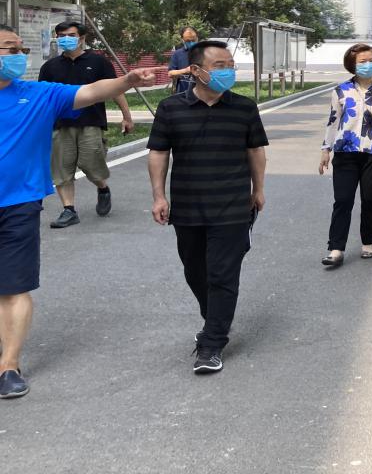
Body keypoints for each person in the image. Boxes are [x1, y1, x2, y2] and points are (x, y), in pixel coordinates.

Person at [0, 24, 155, 398]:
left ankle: (9, 366)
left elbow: (91, 91)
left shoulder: (38, 94)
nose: (18, 56)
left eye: (20, 49)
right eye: (9, 49)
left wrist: (127, 81)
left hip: (18, 205)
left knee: (13, 288)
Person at [147, 40, 268, 375]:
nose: (227, 70)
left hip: (232, 206)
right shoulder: (170, 108)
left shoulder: (244, 108)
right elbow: (159, 153)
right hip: (187, 207)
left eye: (230, 65)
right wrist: (159, 196)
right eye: (219, 65)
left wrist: (258, 189)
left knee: (222, 274)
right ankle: (215, 316)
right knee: (195, 271)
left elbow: (256, 151)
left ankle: (212, 343)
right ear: (196, 70)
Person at [37, 20, 136, 228]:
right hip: (60, 125)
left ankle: (102, 188)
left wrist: (127, 116)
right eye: (61, 35)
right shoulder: (50, 67)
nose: (66, 39)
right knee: (62, 170)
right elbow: (43, 98)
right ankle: (69, 210)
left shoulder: (99, 62)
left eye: (71, 35)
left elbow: (115, 89)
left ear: (82, 38)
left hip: (91, 122)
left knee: (92, 165)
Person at [319, 44, 372, 267]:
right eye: (362, 61)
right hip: (345, 152)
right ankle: (336, 248)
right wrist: (326, 150)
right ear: (352, 65)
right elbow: (333, 122)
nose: (368, 65)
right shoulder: (341, 90)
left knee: (370, 199)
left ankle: (368, 242)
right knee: (343, 200)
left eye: (371, 61)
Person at [167, 26, 201, 95]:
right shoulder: (177, 54)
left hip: (202, 95)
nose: (191, 43)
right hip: (183, 95)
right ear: (182, 40)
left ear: (197, 38)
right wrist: (186, 71)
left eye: (193, 40)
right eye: (188, 41)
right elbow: (170, 73)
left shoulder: (205, 52)